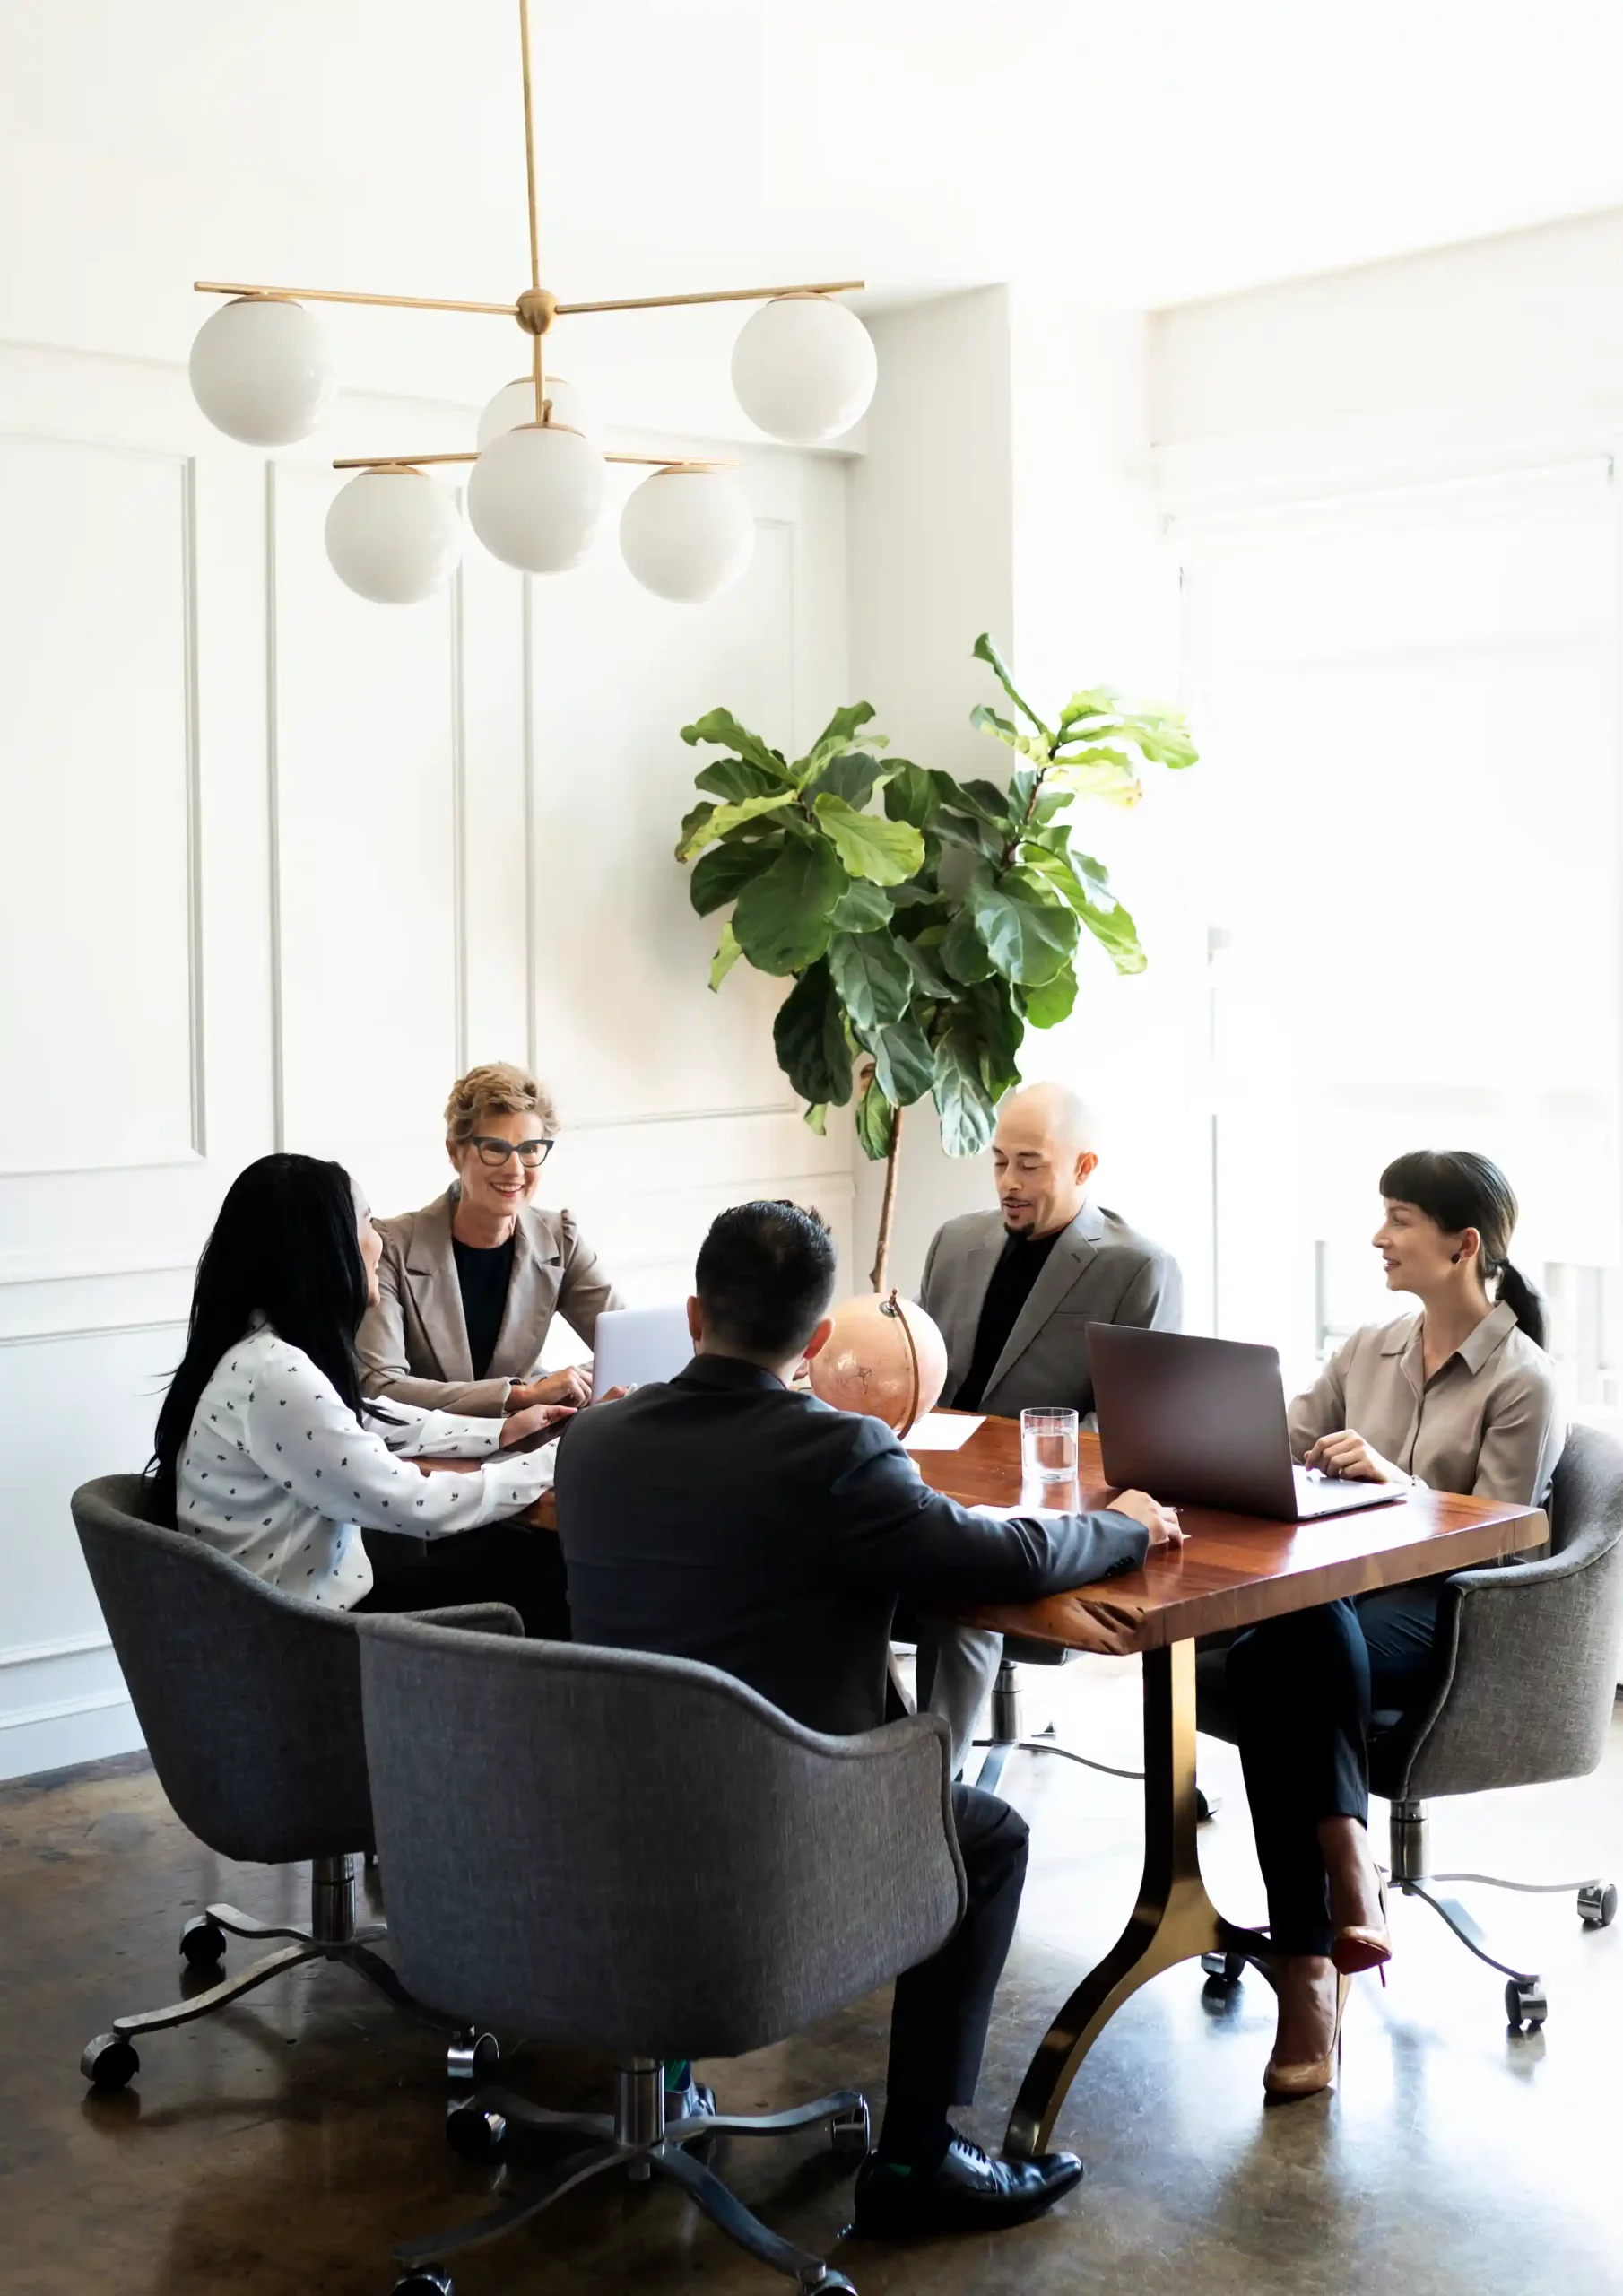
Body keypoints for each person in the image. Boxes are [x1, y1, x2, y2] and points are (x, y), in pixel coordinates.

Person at [555, 1199, 1185, 2240]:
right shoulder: (837, 1454)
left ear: (694, 1311)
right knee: (984, 1835)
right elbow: (1008, 1559)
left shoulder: (595, 1439)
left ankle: (666, 2070)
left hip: (603, 1807)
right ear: (814, 1342)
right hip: (777, 1825)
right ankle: (918, 2157)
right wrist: (1116, 1527)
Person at [1224, 1150, 1565, 2100]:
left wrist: (1395, 1483)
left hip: (1445, 1610)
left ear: (1462, 1246)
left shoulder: (1523, 1380)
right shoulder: (1365, 1346)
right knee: (1284, 1637)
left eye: (1398, 1218)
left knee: (1272, 1653)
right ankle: (1345, 1865)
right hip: (1333, 1603)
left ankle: (1309, 1976)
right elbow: (1269, 1448)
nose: (1378, 1236)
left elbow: (1500, 1540)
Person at [151, 1153, 575, 1633]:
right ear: (326, 1247)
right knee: (545, 1565)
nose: (380, 1239)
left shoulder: (259, 1350)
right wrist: (553, 1461)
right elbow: (418, 1503)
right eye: (369, 1221)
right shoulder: (275, 1374)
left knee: (518, 1557)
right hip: (307, 1641)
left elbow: (367, 1418)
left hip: (284, 1618)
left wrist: (503, 1432)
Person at [915, 1081, 1184, 1771]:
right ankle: (856, 1763)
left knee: (964, 1587)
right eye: (999, 1161)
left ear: (1084, 1168)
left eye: (1029, 1164)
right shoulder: (955, 1241)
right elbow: (919, 1375)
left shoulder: (1137, 1267)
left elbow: (1131, 1430)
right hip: (925, 1483)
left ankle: (930, 1793)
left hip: (1041, 1506)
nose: (1008, 1182)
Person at [358, 1061, 623, 1419]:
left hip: (530, 1447)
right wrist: (521, 1395)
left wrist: (567, 1386)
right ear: (455, 1152)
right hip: (428, 1457)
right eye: (495, 1148)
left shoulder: (560, 1237)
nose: (515, 1169)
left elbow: (629, 1347)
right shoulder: (391, 1246)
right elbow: (380, 1387)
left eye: (530, 1149)